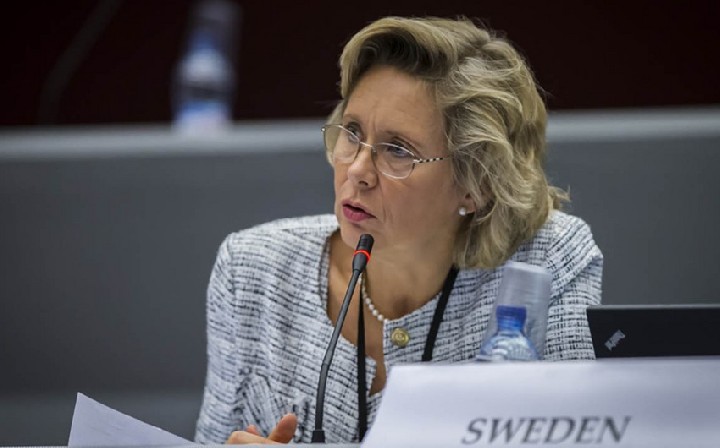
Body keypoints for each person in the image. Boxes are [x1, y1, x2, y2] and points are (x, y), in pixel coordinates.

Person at [195, 16, 603, 445]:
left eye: (397, 150)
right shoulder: (252, 269)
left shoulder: (546, 260)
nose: (357, 170)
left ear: (477, 183)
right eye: (352, 132)